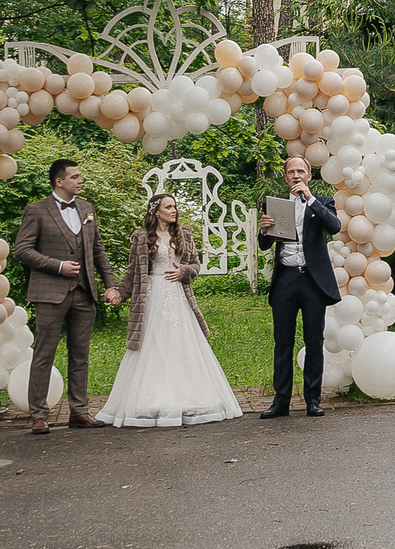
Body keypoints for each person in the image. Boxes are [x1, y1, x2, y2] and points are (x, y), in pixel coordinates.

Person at [99, 193, 244, 428]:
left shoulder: (184, 234)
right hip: (152, 297)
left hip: (177, 297)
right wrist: (119, 292)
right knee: (153, 345)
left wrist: (183, 271)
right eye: (168, 207)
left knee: (180, 345)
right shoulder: (141, 237)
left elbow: (196, 265)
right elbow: (132, 271)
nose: (174, 210)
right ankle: (151, 398)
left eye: (175, 206)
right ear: (156, 211)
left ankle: (187, 397)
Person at [14, 159, 123, 434]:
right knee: (44, 353)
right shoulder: (36, 211)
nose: (80, 180)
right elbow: (22, 250)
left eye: (80, 176)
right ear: (58, 182)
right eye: (74, 177)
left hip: (84, 292)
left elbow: (97, 250)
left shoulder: (87, 209)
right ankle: (39, 414)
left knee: (80, 354)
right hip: (50, 293)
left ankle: (79, 411)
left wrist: (111, 285)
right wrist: (57, 265)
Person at [257, 155, 343, 418]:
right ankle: (281, 401)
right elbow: (263, 246)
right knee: (282, 342)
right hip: (285, 279)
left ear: (309, 176)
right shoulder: (276, 205)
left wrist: (310, 199)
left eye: (300, 171)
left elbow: (335, 226)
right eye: (290, 172)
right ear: (285, 177)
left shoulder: (324, 203)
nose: (295, 175)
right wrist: (264, 230)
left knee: (313, 341)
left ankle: (313, 400)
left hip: (312, 280)